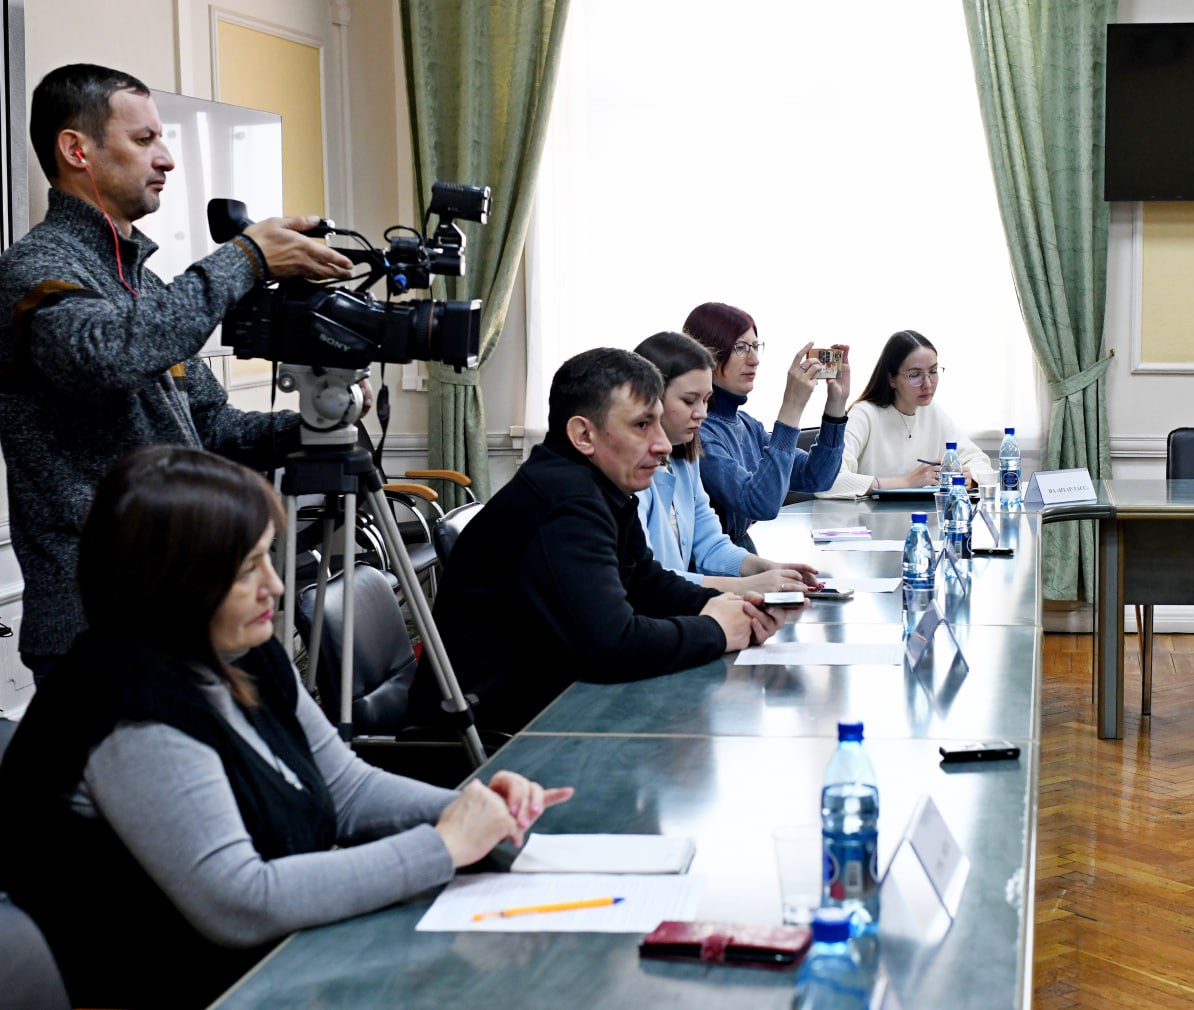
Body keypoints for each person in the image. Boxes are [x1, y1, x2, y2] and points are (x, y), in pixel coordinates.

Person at [0, 446, 572, 1010]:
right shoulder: (128, 704)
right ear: (173, 580)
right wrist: (444, 845)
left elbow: (348, 790)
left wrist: (469, 808)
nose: (275, 586)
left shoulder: (243, 652)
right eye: (248, 568)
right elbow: (241, 901)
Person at [0, 63, 356, 677]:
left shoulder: (145, 282)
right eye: (144, 140)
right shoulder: (32, 269)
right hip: (97, 624)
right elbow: (107, 354)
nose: (165, 158)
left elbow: (210, 428)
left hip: (184, 603)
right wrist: (246, 258)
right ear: (76, 150)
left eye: (162, 139)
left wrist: (317, 425)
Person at [411, 347, 792, 735]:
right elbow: (615, 647)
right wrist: (715, 629)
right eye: (642, 425)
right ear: (583, 435)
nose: (663, 444)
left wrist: (728, 607)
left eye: (658, 422)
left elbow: (646, 581)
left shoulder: (597, 487)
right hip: (489, 739)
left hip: (541, 709)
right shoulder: (567, 504)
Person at [633, 331, 824, 593]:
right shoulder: (629, 472)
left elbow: (710, 544)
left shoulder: (686, 457)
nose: (702, 413)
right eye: (689, 401)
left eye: (705, 400)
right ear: (650, 399)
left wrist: (770, 569)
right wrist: (748, 584)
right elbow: (649, 581)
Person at [682, 301, 851, 550]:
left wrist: (836, 406)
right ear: (707, 356)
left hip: (744, 559)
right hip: (717, 567)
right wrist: (791, 408)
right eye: (740, 348)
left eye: (755, 346)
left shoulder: (747, 425)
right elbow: (760, 504)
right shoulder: (697, 432)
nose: (754, 360)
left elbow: (817, 478)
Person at [816, 329, 993, 498]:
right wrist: (907, 482)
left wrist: (969, 478)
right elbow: (826, 482)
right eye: (915, 375)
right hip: (868, 518)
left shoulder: (932, 412)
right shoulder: (864, 414)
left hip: (922, 517)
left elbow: (980, 462)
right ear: (891, 379)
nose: (928, 384)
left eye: (933, 371)